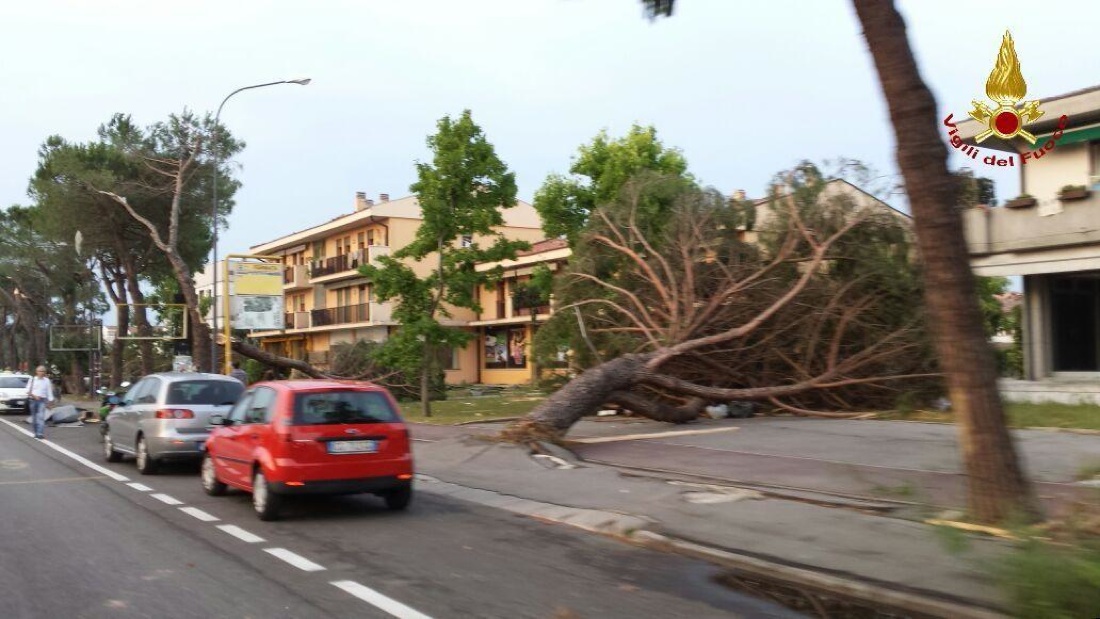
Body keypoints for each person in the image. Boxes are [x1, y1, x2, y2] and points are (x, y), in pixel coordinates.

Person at [26, 365, 55, 439]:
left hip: (42, 400)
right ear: (36, 372)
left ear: (45, 372)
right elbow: (27, 391)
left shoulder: (47, 380)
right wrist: (34, 396)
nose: (42, 373)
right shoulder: (32, 380)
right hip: (33, 400)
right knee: (34, 418)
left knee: (41, 417)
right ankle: (36, 432)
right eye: (40, 371)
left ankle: (40, 433)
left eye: (43, 371)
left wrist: (50, 402)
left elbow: (49, 392)